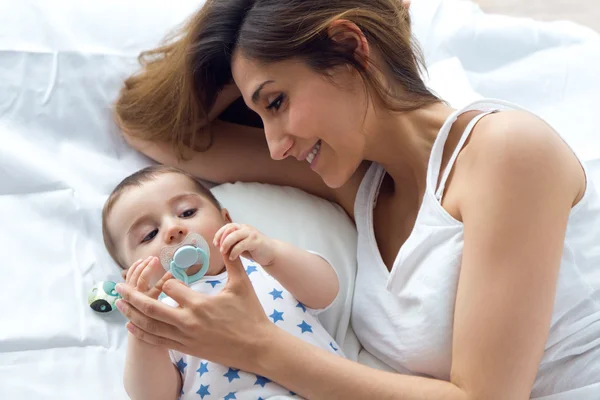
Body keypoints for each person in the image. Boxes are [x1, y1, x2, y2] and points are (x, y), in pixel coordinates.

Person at [112, 0, 600, 398]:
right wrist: (237, 38)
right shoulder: (358, 187)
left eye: (277, 102)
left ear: (349, 47)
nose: (275, 145)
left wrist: (256, 346)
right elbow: (152, 128)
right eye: (260, 114)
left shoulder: (505, 152)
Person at [102, 165, 342, 400]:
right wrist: (142, 327)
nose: (173, 229)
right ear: (130, 275)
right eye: (149, 235)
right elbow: (153, 396)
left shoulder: (261, 266)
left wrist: (273, 253)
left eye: (187, 212)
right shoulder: (160, 318)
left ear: (226, 221)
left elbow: (327, 292)